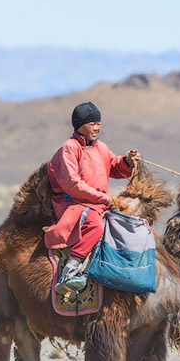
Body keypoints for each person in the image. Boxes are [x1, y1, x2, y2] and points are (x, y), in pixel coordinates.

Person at [43, 102, 139, 292]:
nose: (96, 128)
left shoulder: (101, 147)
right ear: (79, 124)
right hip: (74, 203)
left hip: (97, 203)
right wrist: (106, 199)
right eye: (92, 123)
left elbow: (114, 166)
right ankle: (70, 271)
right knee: (95, 224)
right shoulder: (69, 148)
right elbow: (72, 184)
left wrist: (126, 161)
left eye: (98, 123)